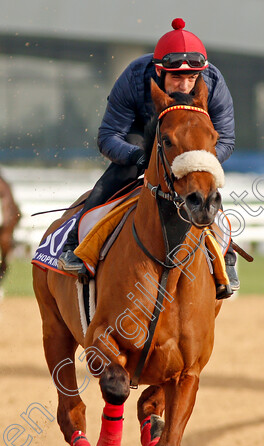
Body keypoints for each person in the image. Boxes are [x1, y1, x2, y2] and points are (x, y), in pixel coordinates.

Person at [58, 18, 239, 292]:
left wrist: (198, 161)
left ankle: (226, 257)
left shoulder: (213, 82)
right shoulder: (134, 77)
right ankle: (75, 245)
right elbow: (108, 137)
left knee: (204, 187)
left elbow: (225, 139)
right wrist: (140, 158)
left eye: (192, 78)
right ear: (158, 71)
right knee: (120, 174)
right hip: (140, 138)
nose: (185, 86)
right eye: (176, 77)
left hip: (190, 145)